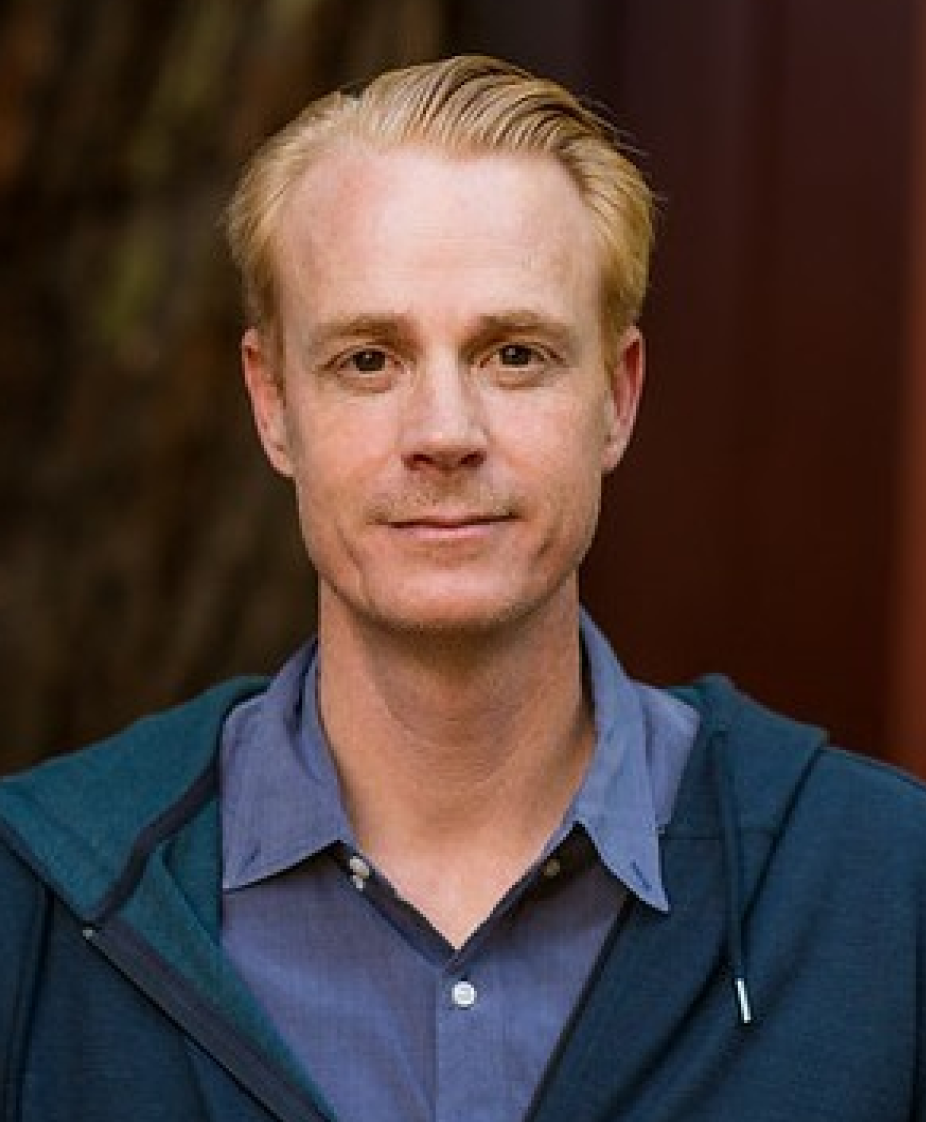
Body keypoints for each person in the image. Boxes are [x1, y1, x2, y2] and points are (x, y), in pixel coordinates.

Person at [0, 53, 924, 1122]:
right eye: (368, 360)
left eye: (514, 354)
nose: (444, 432)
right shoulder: (34, 902)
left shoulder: (879, 889)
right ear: (273, 405)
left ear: (617, 397)